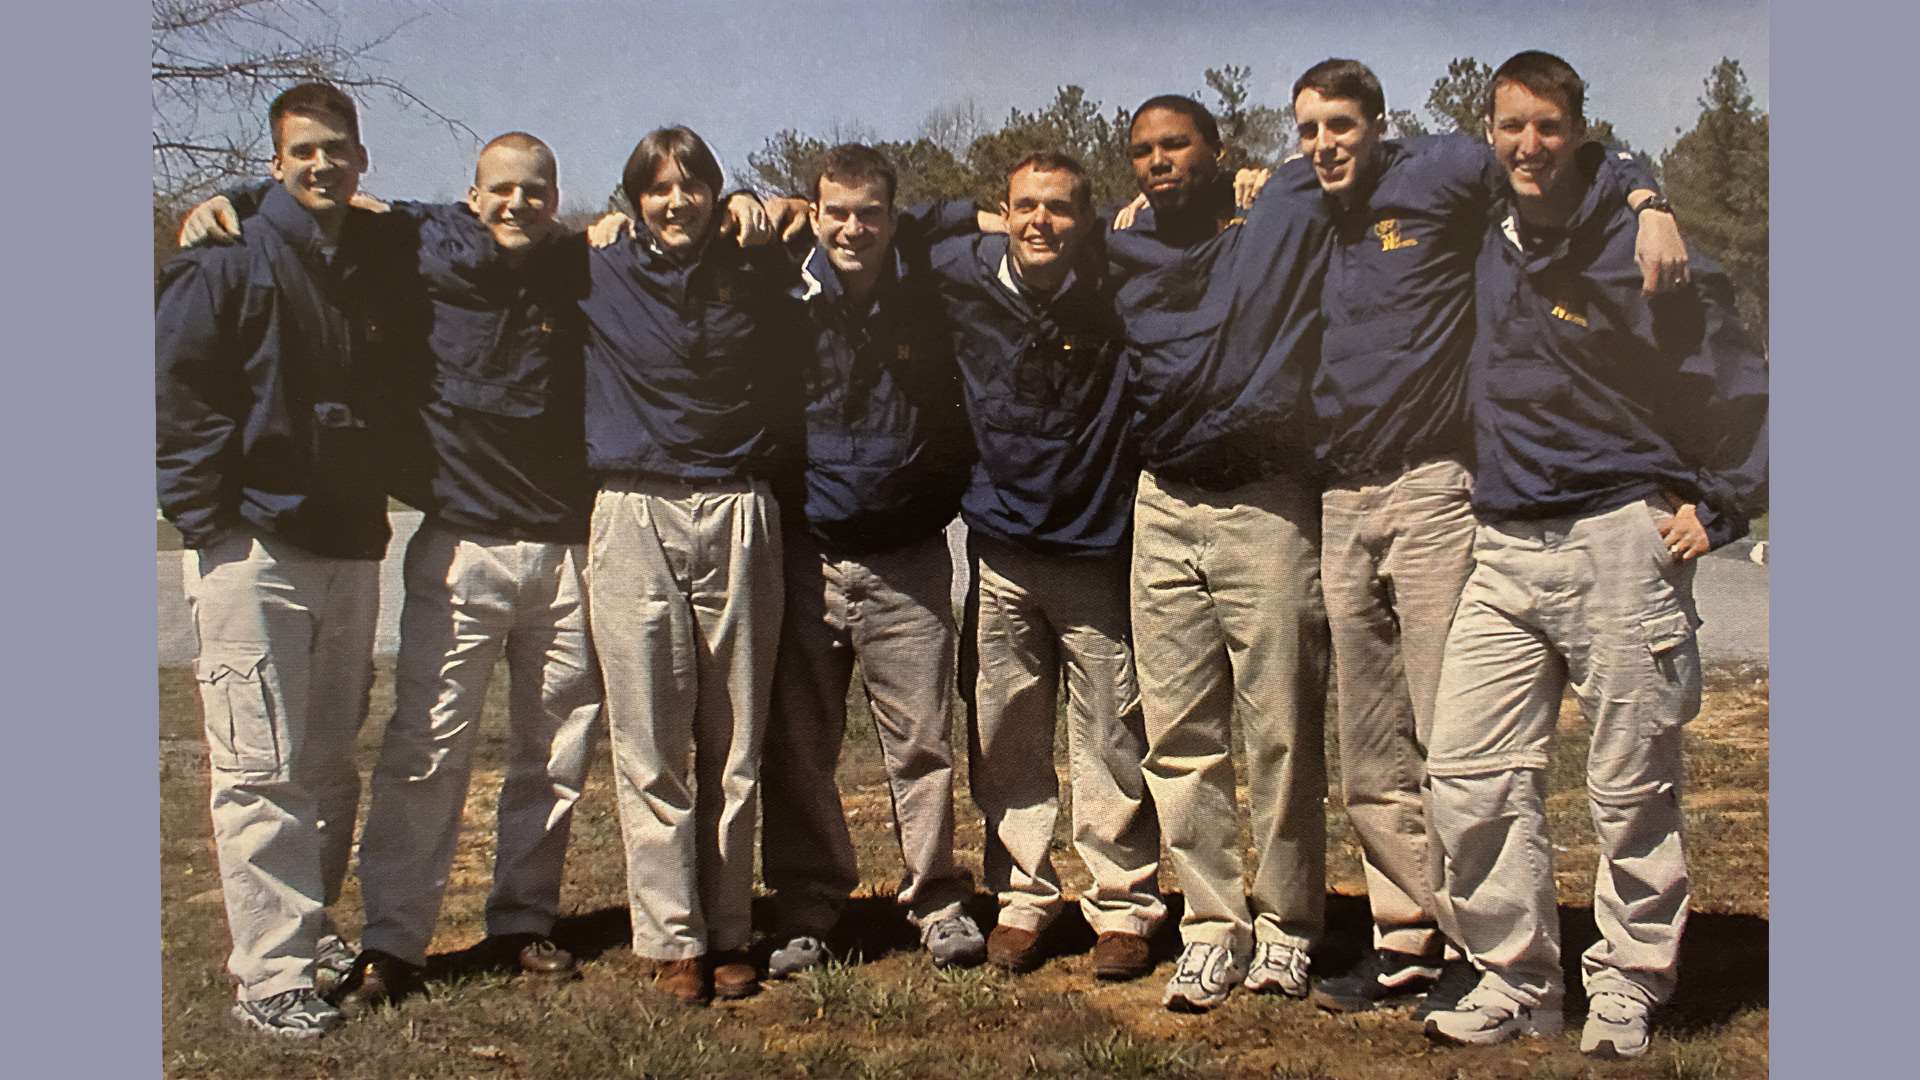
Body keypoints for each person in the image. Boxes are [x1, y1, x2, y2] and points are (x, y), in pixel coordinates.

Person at [1284, 58, 1686, 1017]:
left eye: (1342, 123)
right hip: (1342, 500)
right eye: (1306, 129)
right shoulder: (1304, 194)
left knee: (1453, 738)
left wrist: (1650, 193)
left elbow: (1550, 149)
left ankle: (1485, 952)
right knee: (1373, 745)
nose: (1325, 143)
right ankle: (1406, 939)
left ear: (1380, 123)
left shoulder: (1446, 171)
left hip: (1434, 491)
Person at [1419, 51, 1767, 1058]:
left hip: (1619, 536)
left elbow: (1738, 383)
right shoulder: (1488, 238)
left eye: (1548, 127)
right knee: (1469, 772)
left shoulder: (1639, 245)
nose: (1529, 146)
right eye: (1511, 126)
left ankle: (1627, 983)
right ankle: (1514, 978)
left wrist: (1727, 503)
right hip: (1504, 541)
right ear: (1492, 132)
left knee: (1631, 784)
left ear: (1579, 131)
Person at [156, 82, 386, 1038]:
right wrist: (212, 526)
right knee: (259, 767)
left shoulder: (370, 255)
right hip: (254, 545)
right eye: (302, 153)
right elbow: (176, 400)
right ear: (276, 160)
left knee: (328, 764)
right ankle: (269, 975)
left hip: (349, 541)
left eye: (337, 149)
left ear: (361, 157)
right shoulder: (223, 258)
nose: (323, 165)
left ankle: (306, 928)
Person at [1106, 95, 1332, 1012]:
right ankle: (1211, 925)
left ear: (1217, 149)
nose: (1160, 162)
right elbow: (1005, 228)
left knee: (1279, 728)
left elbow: (1385, 163)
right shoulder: (1120, 249)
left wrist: (1641, 196)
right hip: (1163, 504)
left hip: (1264, 505)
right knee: (1180, 733)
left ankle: (1286, 928)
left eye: (1177, 145)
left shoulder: (1273, 226)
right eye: (1144, 152)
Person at [926, 152, 1165, 983]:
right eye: (1024, 206)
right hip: (1000, 549)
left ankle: (1123, 904)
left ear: (1086, 220)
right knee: (1007, 730)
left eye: (1060, 208)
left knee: (1112, 735)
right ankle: (1023, 896)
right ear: (1004, 210)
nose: (1040, 223)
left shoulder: (1113, 280)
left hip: (1097, 548)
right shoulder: (965, 275)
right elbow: (913, 225)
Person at [755, 144, 985, 975]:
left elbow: (952, 217)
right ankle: (809, 906)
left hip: (908, 561)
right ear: (814, 215)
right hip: (807, 556)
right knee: (800, 747)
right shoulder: (782, 288)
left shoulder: (925, 289)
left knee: (922, 743)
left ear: (894, 218)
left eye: (872, 213)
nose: (854, 228)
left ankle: (938, 901)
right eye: (838, 212)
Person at [582, 126, 795, 1006]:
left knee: (735, 736)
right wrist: (251, 200)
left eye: (693, 185)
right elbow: (464, 227)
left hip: (738, 504)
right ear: (633, 198)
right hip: (634, 506)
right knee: (650, 737)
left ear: (716, 193)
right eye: (658, 188)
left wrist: (771, 205)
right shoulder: (594, 267)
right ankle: (672, 936)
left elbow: (873, 217)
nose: (677, 202)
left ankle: (731, 926)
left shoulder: (756, 262)